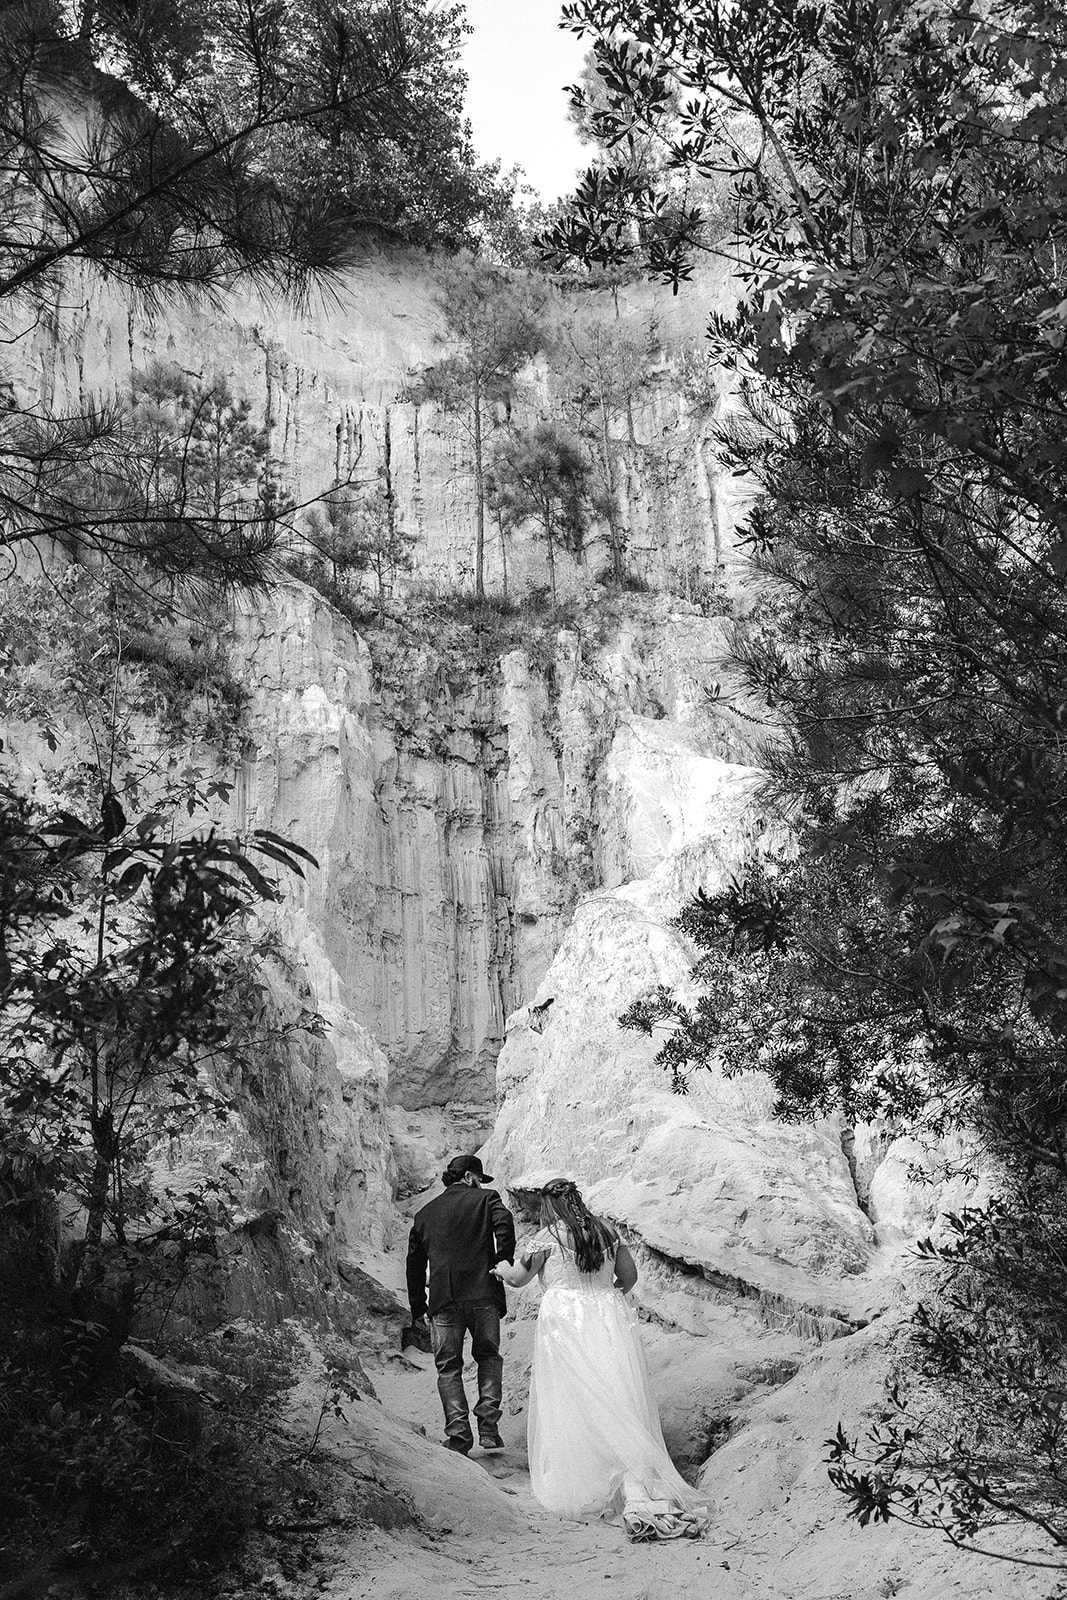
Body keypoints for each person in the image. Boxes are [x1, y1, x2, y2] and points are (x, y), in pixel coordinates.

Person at [493, 1177, 709, 1541]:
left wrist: (500, 1267)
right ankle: (632, 1475)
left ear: (550, 1206)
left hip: (564, 1319)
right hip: (607, 1317)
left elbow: (518, 1279)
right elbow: (629, 1277)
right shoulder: (606, 1232)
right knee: (616, 1391)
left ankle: (591, 1476)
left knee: (572, 1397)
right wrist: (602, 1298)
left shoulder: (548, 1238)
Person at [406, 1153, 516, 1455]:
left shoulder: (424, 1214)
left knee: (448, 1368)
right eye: (479, 1179)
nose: (481, 1184)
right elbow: (504, 1224)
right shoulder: (487, 1199)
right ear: (469, 1177)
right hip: (483, 1294)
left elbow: (414, 1265)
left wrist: (418, 1306)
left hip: (443, 1300)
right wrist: (501, 1262)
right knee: (489, 1357)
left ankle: (458, 1436)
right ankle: (489, 1428)